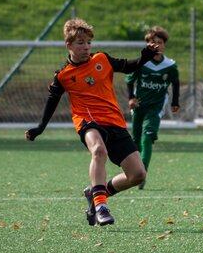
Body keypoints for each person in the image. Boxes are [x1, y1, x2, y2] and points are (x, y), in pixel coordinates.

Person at [25, 18, 157, 226]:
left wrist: (145, 57)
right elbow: (52, 100)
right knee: (98, 151)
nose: (86, 47)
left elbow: (128, 66)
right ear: (68, 45)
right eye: (80, 43)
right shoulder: (63, 75)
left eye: (88, 42)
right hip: (88, 120)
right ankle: (101, 207)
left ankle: (94, 193)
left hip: (114, 121)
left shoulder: (102, 59)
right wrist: (40, 127)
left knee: (138, 175)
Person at [126, 26, 180, 190]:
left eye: (159, 42)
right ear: (147, 45)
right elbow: (130, 81)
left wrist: (175, 102)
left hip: (156, 107)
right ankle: (136, 171)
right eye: (152, 42)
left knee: (147, 137)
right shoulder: (142, 63)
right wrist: (131, 98)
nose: (156, 45)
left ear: (164, 44)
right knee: (136, 141)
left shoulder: (170, 65)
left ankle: (142, 174)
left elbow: (175, 83)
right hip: (139, 106)